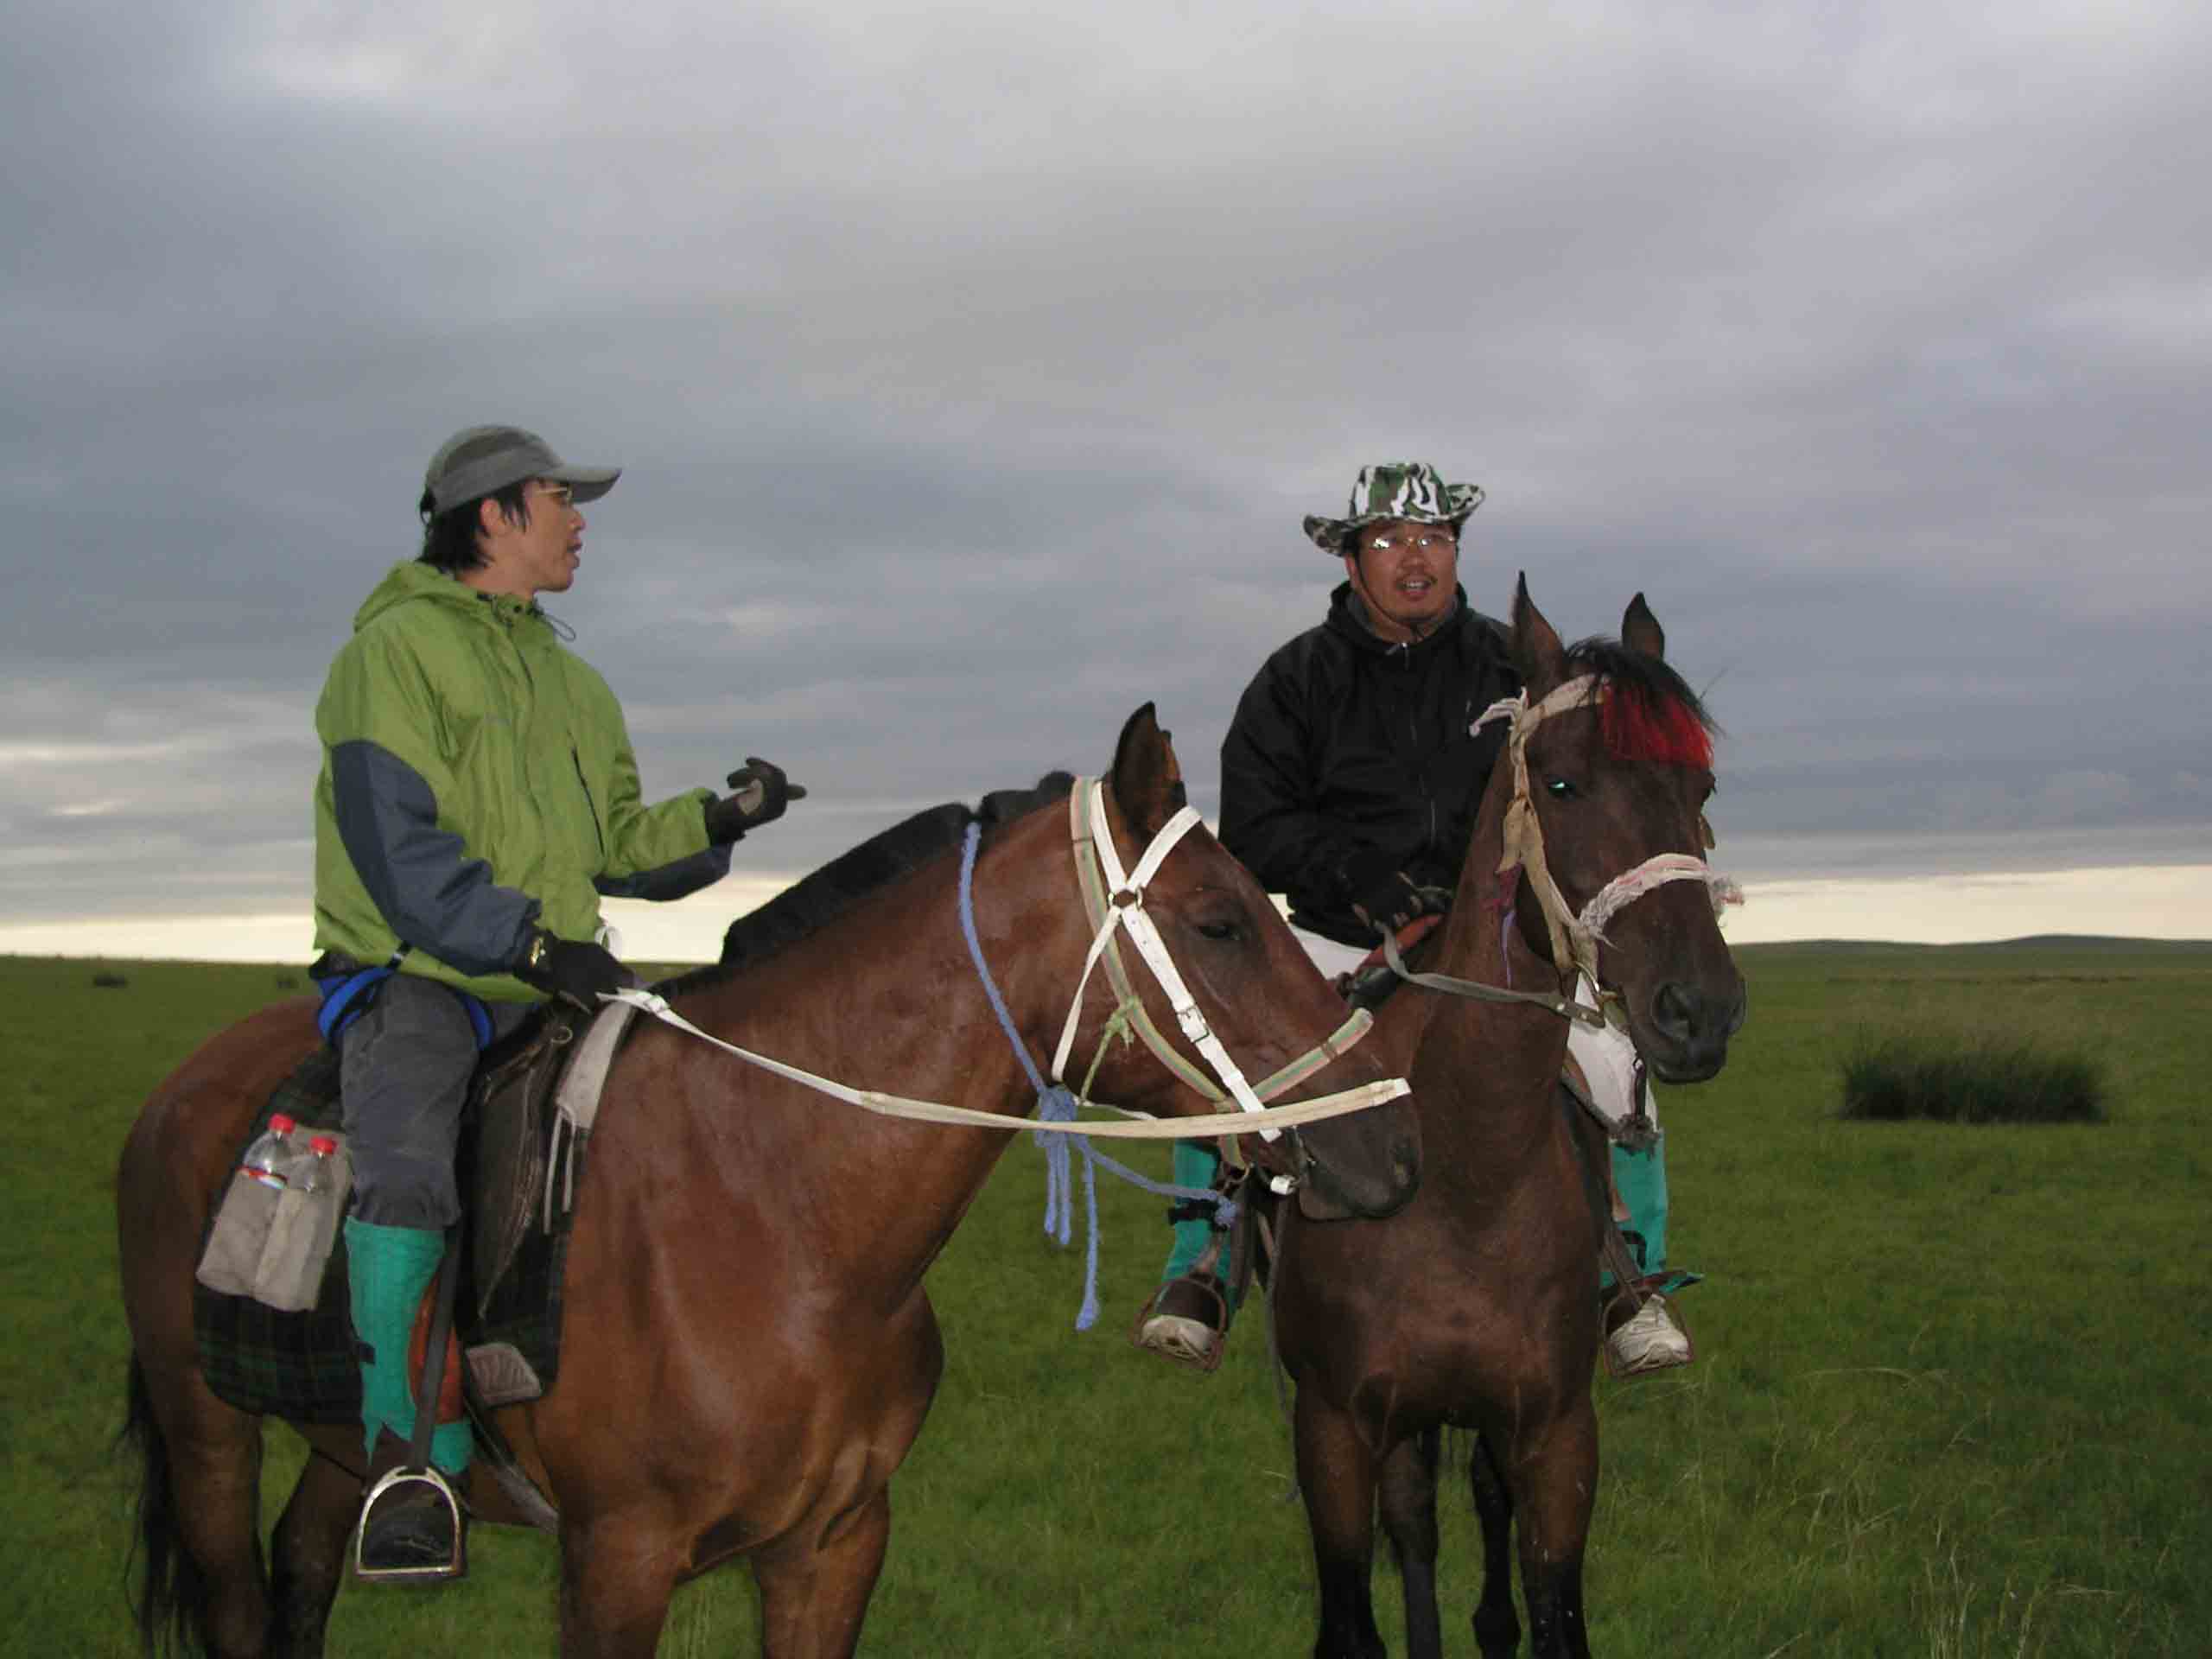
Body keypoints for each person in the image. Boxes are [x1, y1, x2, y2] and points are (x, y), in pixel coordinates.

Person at [311, 424, 806, 1576]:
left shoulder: (573, 681)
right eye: (558, 499)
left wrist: (720, 819)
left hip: (556, 970)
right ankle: (409, 1463)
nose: (579, 520)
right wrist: (527, 945)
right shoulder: (389, 655)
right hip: (423, 979)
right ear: (492, 516)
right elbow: (400, 853)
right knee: (409, 1172)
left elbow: (619, 848)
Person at [1134, 461, 1694, 1376]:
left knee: (1615, 1063)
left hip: (1497, 940)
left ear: (1456, 552)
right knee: (1230, 1064)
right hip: (1335, 931)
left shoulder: (1512, 669)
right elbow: (1257, 826)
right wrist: (1361, 879)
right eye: (1389, 541)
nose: (1415, 559)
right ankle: (1202, 1266)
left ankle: (1630, 1283)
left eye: (1433, 539)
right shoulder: (1294, 681)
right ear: (1352, 562)